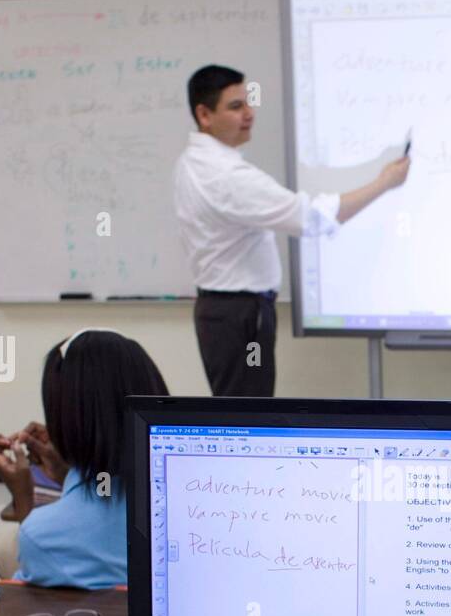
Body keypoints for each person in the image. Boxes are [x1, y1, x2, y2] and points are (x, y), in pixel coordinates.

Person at [174, 64, 410, 397]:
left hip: (222, 314)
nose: (249, 114)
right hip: (240, 318)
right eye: (235, 106)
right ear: (204, 114)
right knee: (249, 416)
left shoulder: (192, 162)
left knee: (238, 411)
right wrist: (385, 183)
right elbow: (310, 219)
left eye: (248, 102)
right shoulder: (227, 176)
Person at [0, 329, 168, 588]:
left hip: (97, 611)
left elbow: (31, 588)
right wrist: (67, 473)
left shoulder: (43, 534)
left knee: (3, 546)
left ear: (63, 421)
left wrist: (23, 497)